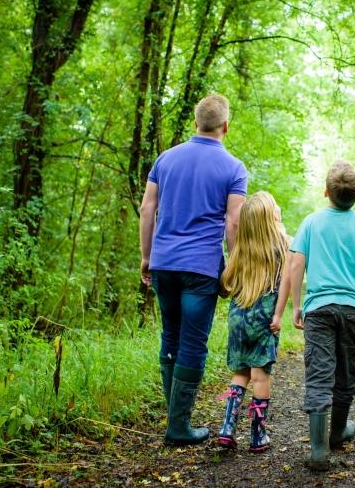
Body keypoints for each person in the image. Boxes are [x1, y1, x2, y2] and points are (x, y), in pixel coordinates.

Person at [139, 93, 246, 446]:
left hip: (164, 262)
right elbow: (233, 223)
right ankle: (179, 426)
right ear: (225, 126)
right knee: (193, 345)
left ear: (195, 123)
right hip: (200, 267)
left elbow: (147, 209)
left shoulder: (165, 159)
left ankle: (176, 419)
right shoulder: (233, 167)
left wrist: (146, 256)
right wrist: (233, 266)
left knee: (169, 335)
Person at [281, 161, 355, 471]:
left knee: (319, 375)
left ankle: (318, 451)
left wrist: (297, 304)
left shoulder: (312, 222)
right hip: (353, 309)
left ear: (326, 192)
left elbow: (296, 265)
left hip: (319, 309)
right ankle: (338, 432)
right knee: (345, 372)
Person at [215, 191, 291, 453]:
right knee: (260, 376)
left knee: (240, 374)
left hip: (238, 318)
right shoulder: (283, 247)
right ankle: (258, 435)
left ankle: (227, 428)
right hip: (264, 320)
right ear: (270, 219)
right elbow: (286, 286)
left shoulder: (241, 250)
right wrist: (279, 314)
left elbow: (226, 282)